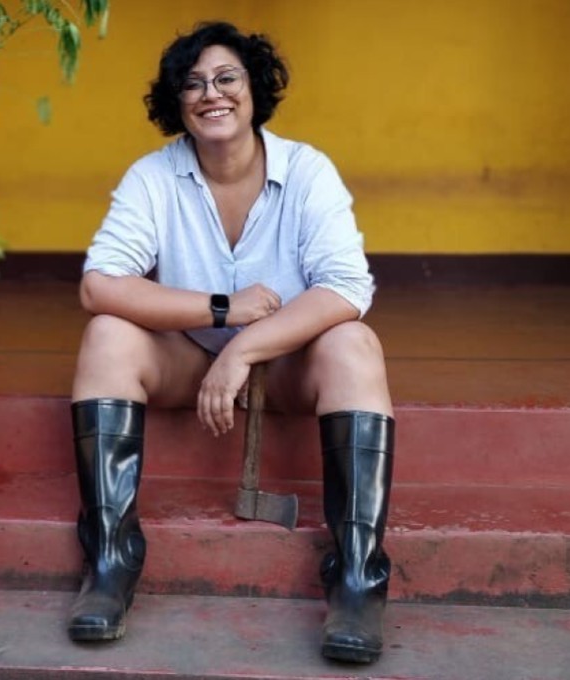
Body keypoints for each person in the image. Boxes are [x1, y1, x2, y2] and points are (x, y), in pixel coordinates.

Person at [65, 20, 396, 665]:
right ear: (177, 103)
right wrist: (222, 311)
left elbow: (349, 288)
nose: (210, 94)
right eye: (192, 84)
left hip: (290, 369)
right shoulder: (154, 177)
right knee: (106, 335)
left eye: (226, 78)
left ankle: (358, 578)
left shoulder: (307, 171)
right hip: (187, 361)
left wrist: (245, 348)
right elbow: (99, 285)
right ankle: (111, 558)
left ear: (253, 89)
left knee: (355, 344)